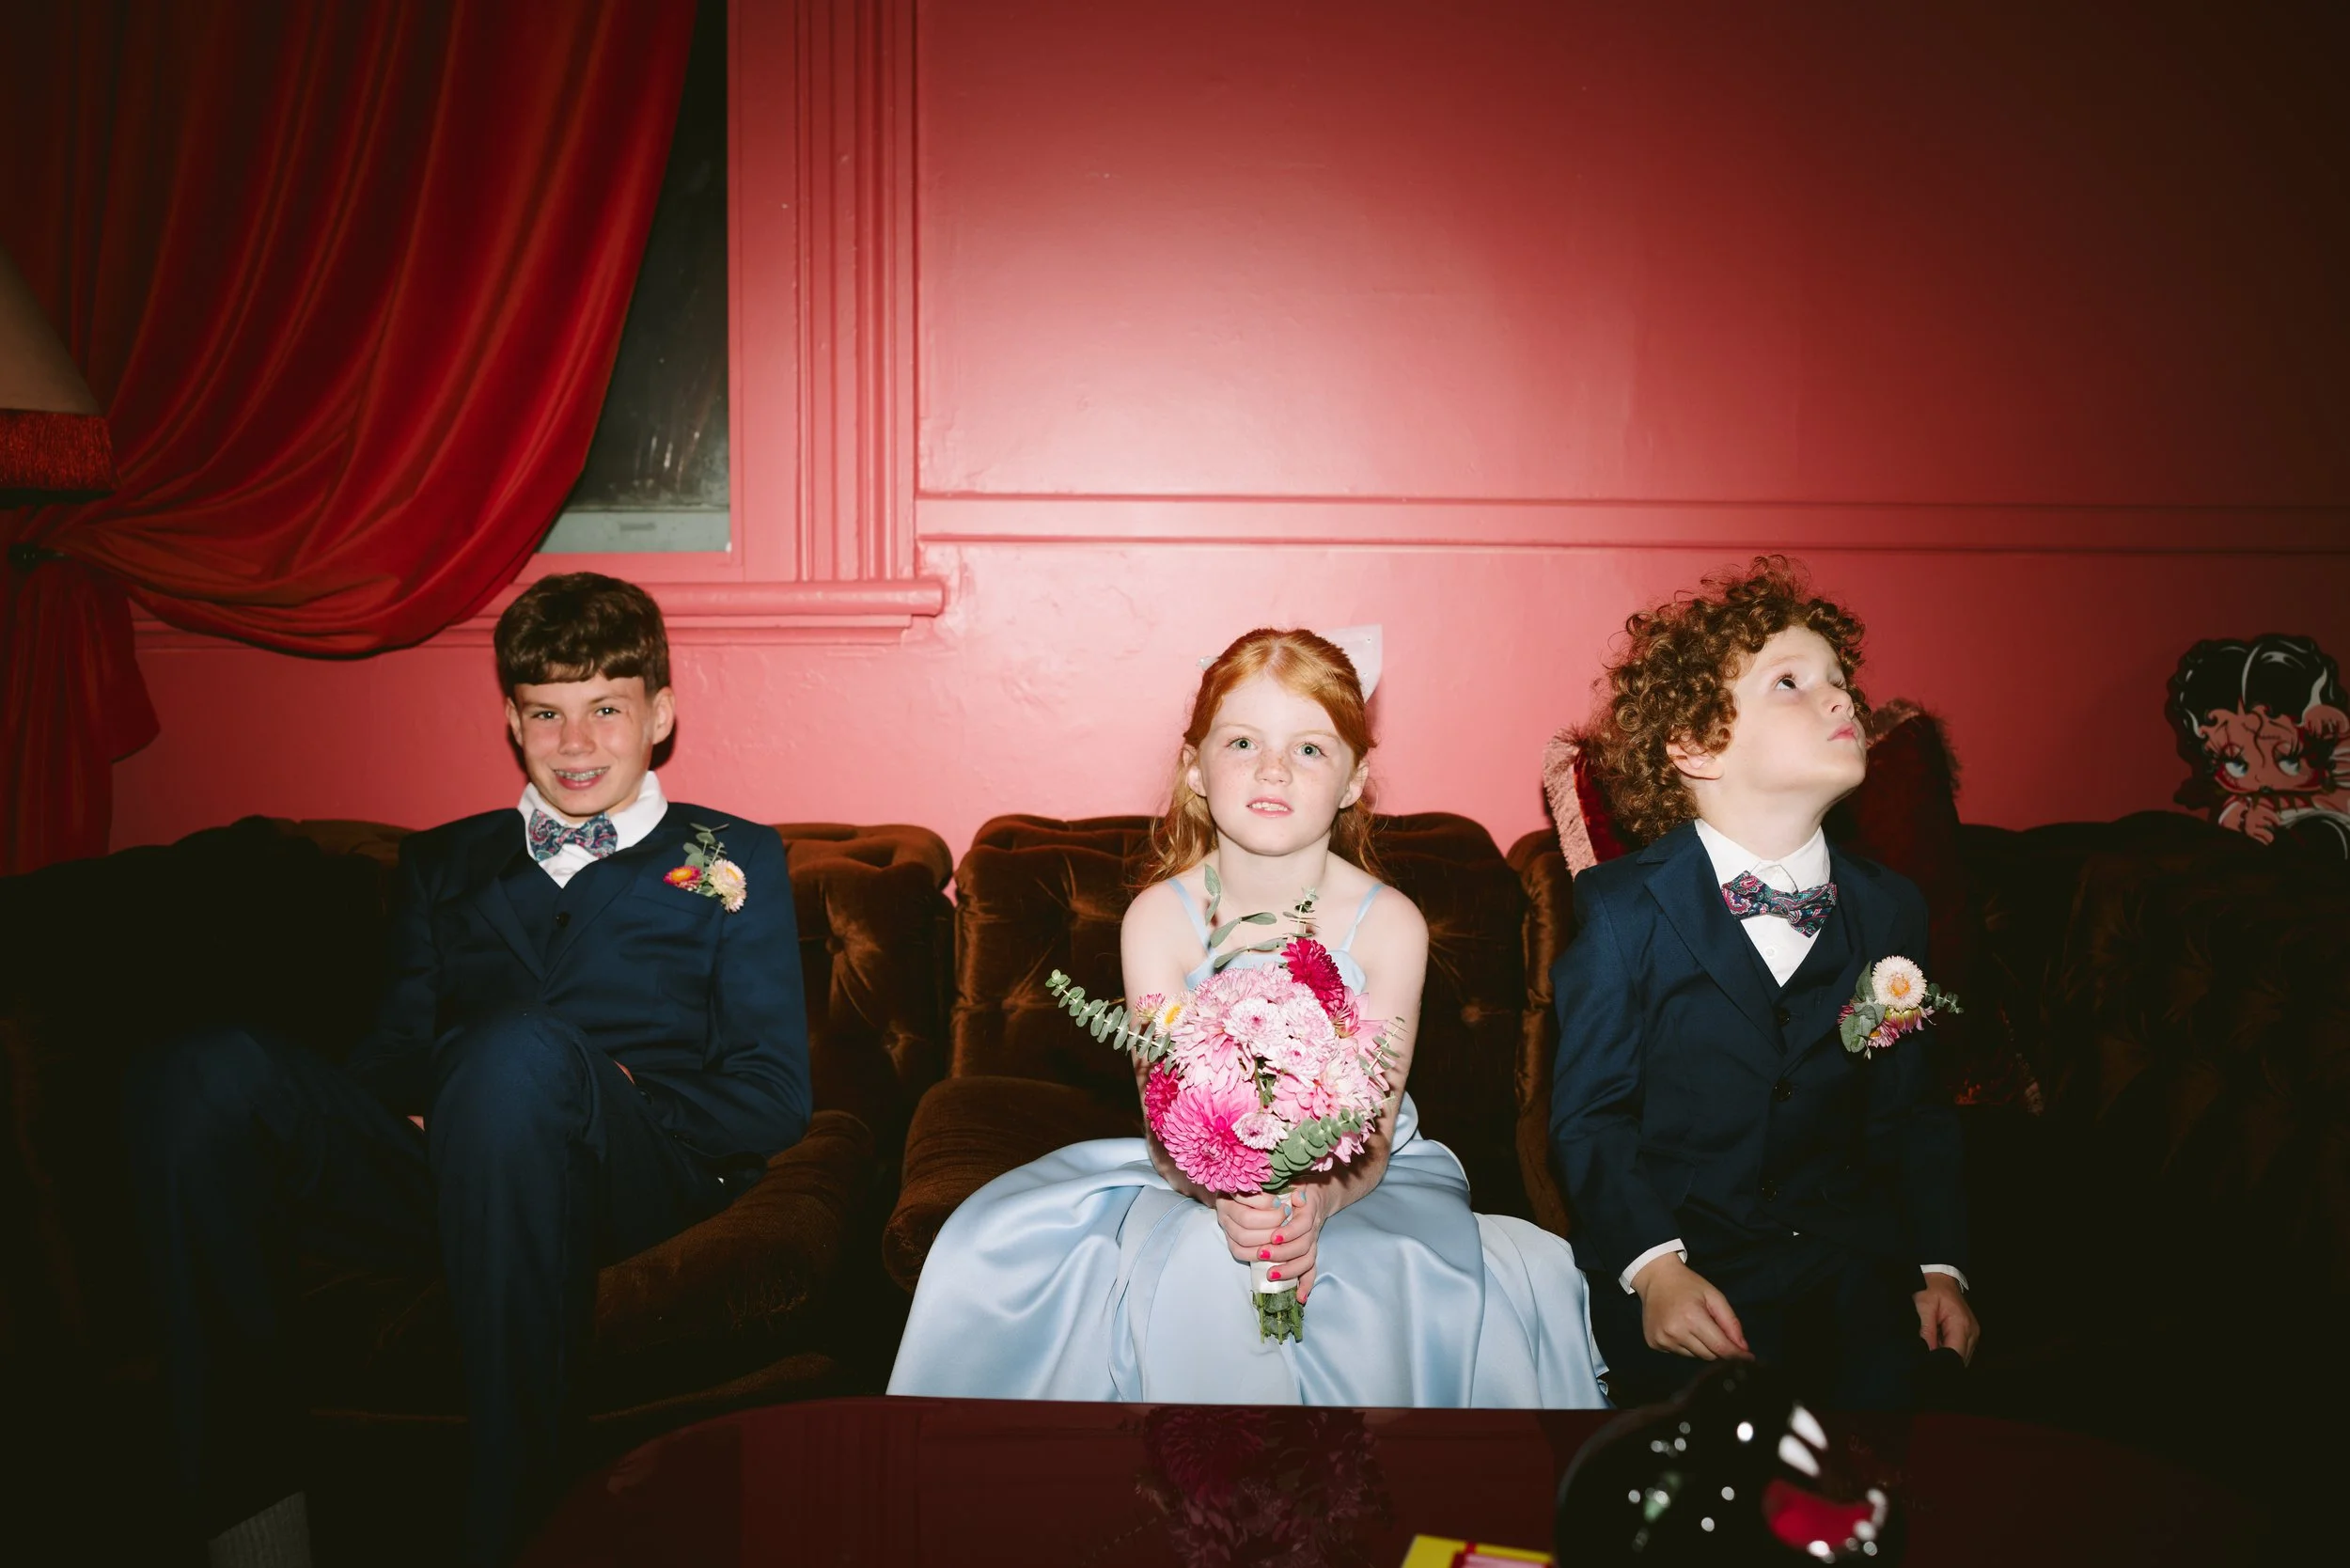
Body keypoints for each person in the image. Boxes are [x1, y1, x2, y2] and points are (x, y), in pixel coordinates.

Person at [123, 572, 811, 1567]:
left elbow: (772, 1095)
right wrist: (398, 1109)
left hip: (633, 1172)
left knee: (516, 1052)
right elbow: (393, 1055)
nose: (574, 742)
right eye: (546, 713)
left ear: (659, 715)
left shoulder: (731, 856)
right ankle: (250, 1528)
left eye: (605, 708)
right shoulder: (442, 864)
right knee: (199, 1073)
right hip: (459, 1164)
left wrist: (626, 1093)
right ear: (512, 722)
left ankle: (518, 1531)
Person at [889, 628, 1606, 1407]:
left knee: (1384, 1281)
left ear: (1354, 780)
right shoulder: (1158, 921)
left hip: (1366, 1180)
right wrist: (1233, 1199)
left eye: (1310, 748)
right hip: (1197, 1181)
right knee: (1172, 1266)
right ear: (1195, 766)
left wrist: (1315, 1202)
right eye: (1242, 742)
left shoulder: (1392, 924)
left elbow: (1373, 1129)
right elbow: (1169, 1120)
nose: (1273, 768)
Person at [1550, 557, 1977, 1410]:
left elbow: (1908, 1113)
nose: (1841, 700)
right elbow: (1593, 1119)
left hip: (1846, 1259)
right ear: (1697, 746)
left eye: (1841, 681)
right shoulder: (1622, 908)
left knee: (1899, 1434)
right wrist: (1655, 1270)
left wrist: (1939, 1265)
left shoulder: (1890, 908)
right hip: (1687, 1265)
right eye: (1792, 682)